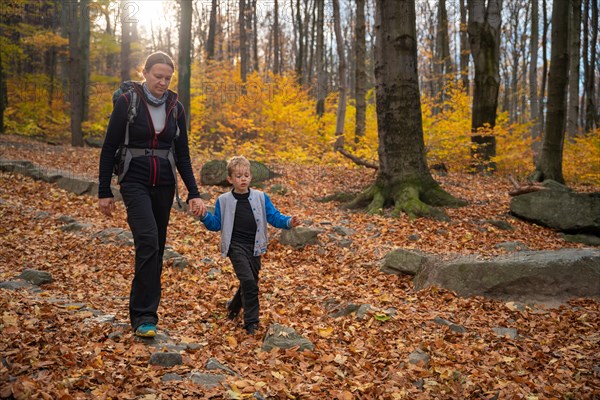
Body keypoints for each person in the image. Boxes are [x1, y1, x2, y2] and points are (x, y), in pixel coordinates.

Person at [98, 51, 206, 338]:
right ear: (144, 73)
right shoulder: (127, 102)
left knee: (156, 247)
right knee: (147, 241)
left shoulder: (176, 108)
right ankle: (144, 317)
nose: (163, 82)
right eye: (158, 76)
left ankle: (145, 312)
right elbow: (109, 147)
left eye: (168, 78)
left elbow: (182, 155)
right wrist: (103, 190)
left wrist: (194, 193)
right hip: (134, 181)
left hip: (165, 185)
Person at [200, 156, 300, 335]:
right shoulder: (223, 200)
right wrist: (204, 216)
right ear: (230, 179)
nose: (243, 179)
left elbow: (274, 216)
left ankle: (233, 308)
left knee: (250, 282)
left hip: (255, 246)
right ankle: (251, 323)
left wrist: (288, 222)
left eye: (246, 175)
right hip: (235, 246)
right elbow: (215, 224)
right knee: (248, 281)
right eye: (238, 176)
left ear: (251, 177)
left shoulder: (261, 197)